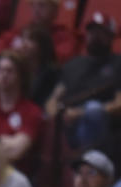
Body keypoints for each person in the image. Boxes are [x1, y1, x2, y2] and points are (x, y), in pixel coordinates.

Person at [44, 12, 121, 151]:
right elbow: (54, 98)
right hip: (66, 125)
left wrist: (80, 113)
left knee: (94, 109)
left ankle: (84, 163)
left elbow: (119, 104)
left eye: (100, 32)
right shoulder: (73, 64)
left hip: (103, 130)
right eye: (92, 31)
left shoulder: (118, 64)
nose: (94, 36)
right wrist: (58, 113)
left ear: (111, 36)